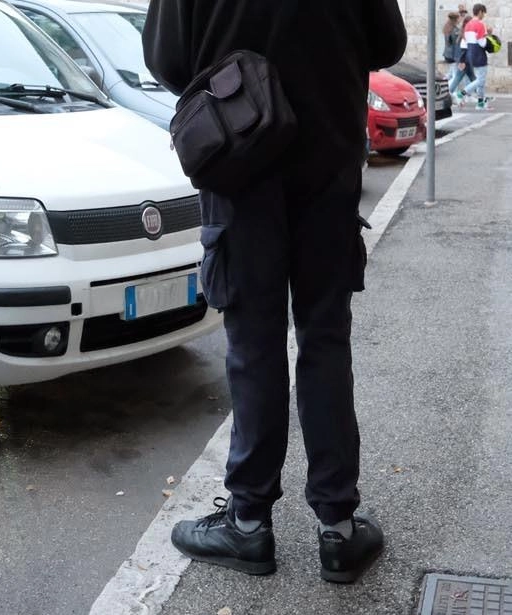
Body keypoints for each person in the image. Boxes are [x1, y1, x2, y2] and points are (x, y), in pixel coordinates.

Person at [143, 0, 405, 584]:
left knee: (253, 345)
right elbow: (387, 45)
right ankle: (338, 528)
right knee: (325, 340)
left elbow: (165, 60)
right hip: (328, 168)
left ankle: (248, 522)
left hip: (240, 162)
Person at [460, 4, 491, 110]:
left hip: (471, 54)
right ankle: (464, 92)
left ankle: (480, 103)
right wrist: (488, 38)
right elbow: (482, 43)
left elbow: (467, 40)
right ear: (480, 12)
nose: (484, 16)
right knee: (481, 80)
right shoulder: (480, 24)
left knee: (480, 80)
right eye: (484, 13)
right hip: (479, 54)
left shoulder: (468, 25)